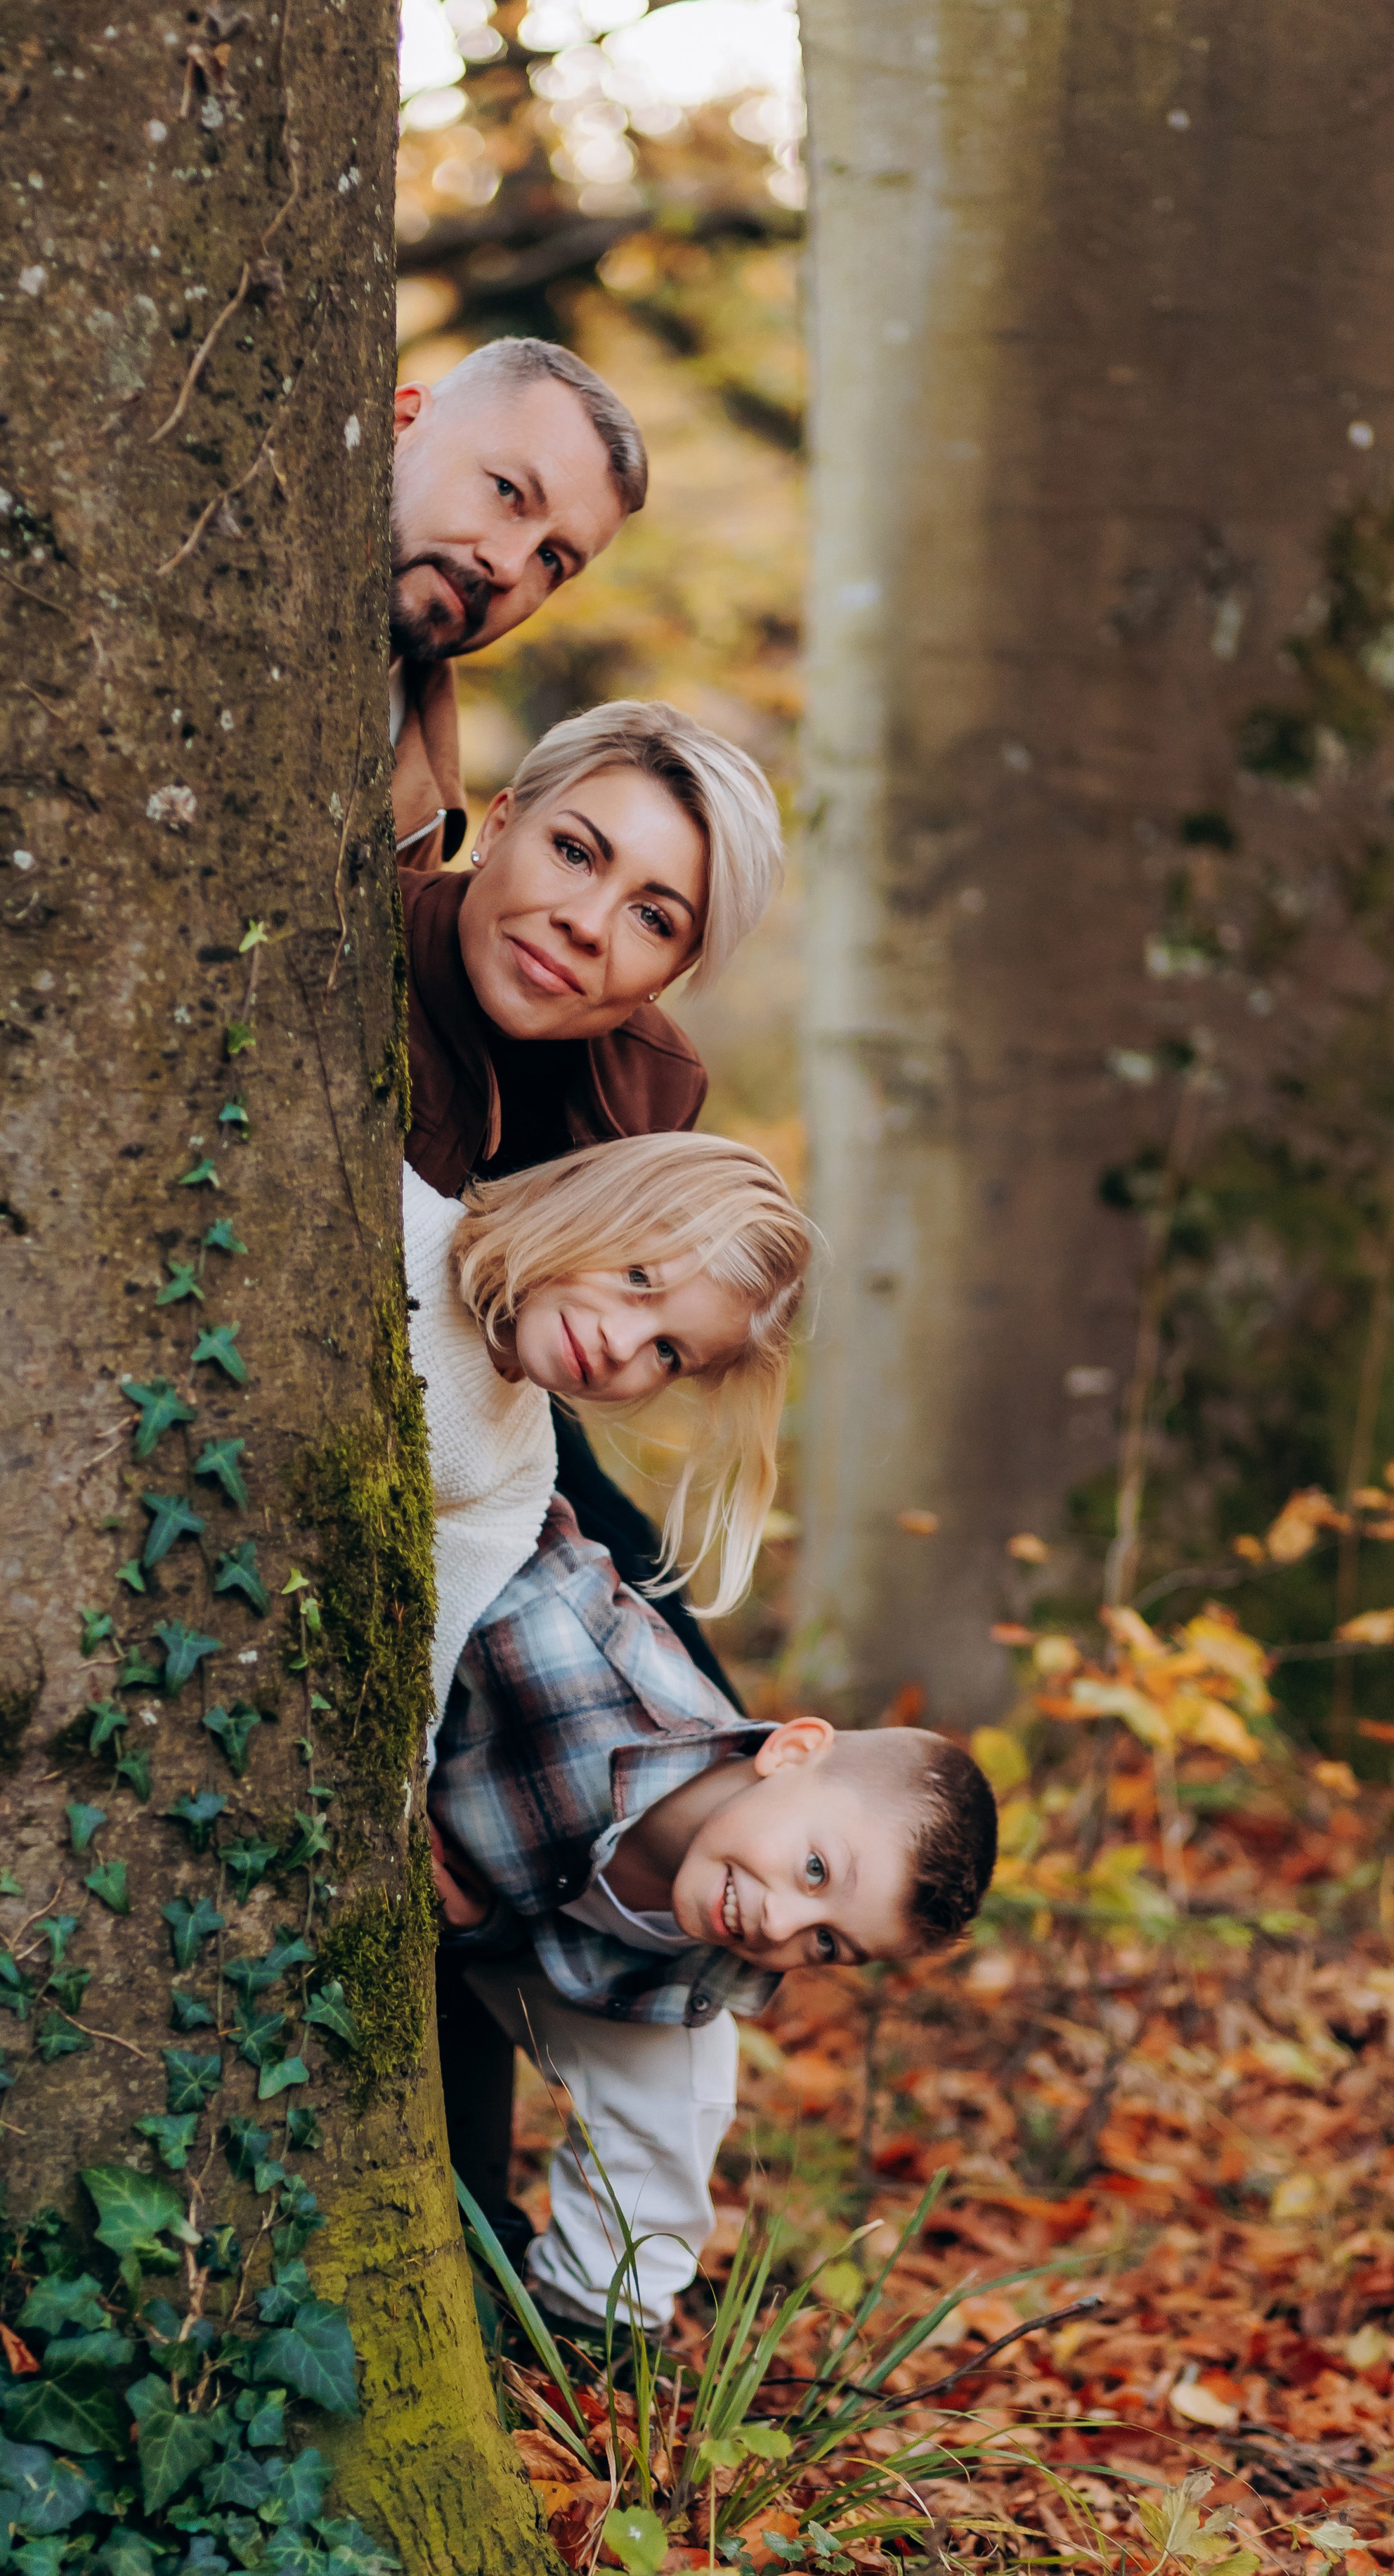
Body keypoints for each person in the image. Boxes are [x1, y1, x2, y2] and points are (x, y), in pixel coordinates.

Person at [428, 1508, 999, 2336]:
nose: (778, 1926)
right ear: (791, 1752)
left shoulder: (701, 1983)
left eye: (828, 1943)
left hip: (568, 1951)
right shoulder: (571, 1650)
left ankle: (569, 2329)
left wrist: (484, 1924)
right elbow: (489, 1517)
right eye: (816, 1869)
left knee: (670, 2130)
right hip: (449, 1797)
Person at [401, 695, 785, 1698]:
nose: (584, 924)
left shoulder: (652, 1087)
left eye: (653, 918)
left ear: (677, 969)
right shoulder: (358, 956)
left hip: (506, 1396)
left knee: (634, 1584)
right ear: (500, 823)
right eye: (575, 852)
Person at [405, 1132, 813, 1730]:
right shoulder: (396, 1223)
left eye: (668, 1352)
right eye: (639, 1278)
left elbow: (419, 1680)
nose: (621, 1345)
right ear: (592, 1201)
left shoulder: (521, 1467)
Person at [389, 339, 649, 871]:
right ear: (403, 422)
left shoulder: (429, 810)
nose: (507, 566)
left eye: (551, 559)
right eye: (508, 491)